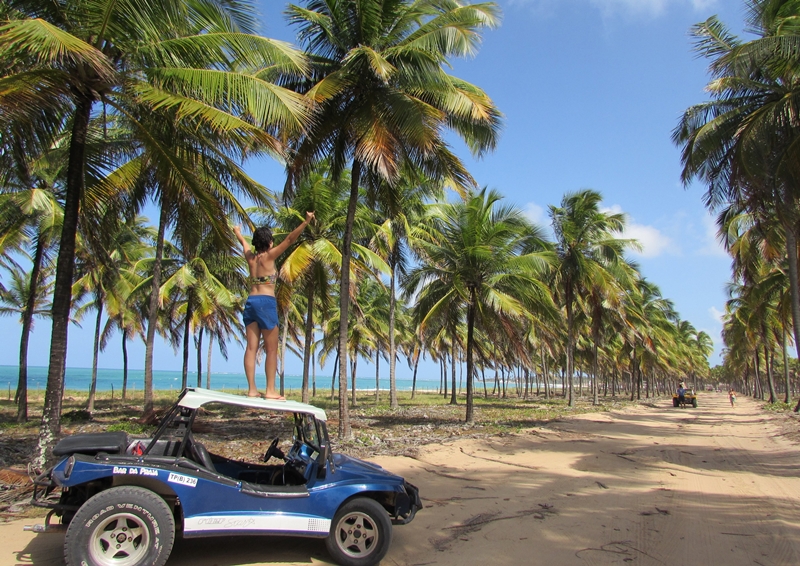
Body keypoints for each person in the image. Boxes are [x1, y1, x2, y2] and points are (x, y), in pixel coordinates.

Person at [234, 212, 314, 399]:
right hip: (266, 303)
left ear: (256, 243)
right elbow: (289, 239)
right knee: (271, 349)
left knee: (251, 348)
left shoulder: (250, 258)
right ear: (269, 243)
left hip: (251, 302)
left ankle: (252, 389)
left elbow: (243, 243)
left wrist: (237, 232)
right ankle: (270, 390)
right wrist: (306, 221)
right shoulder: (269, 256)